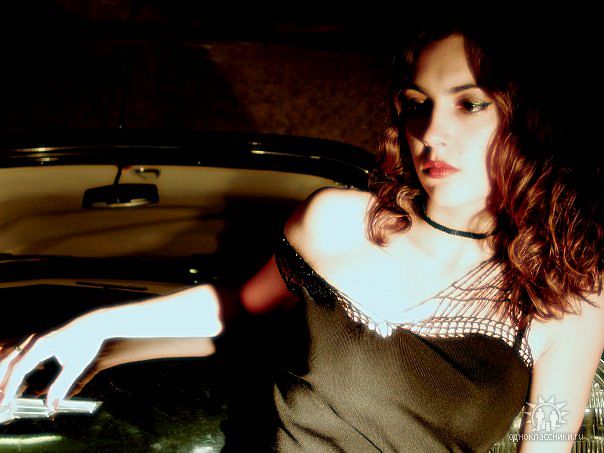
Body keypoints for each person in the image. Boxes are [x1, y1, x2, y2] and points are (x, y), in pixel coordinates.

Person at [1, 21, 603, 453]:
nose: (431, 132)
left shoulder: (570, 293)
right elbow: (238, 309)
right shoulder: (338, 222)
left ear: (530, 118)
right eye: (416, 104)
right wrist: (95, 329)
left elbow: (550, 437)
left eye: (470, 104)